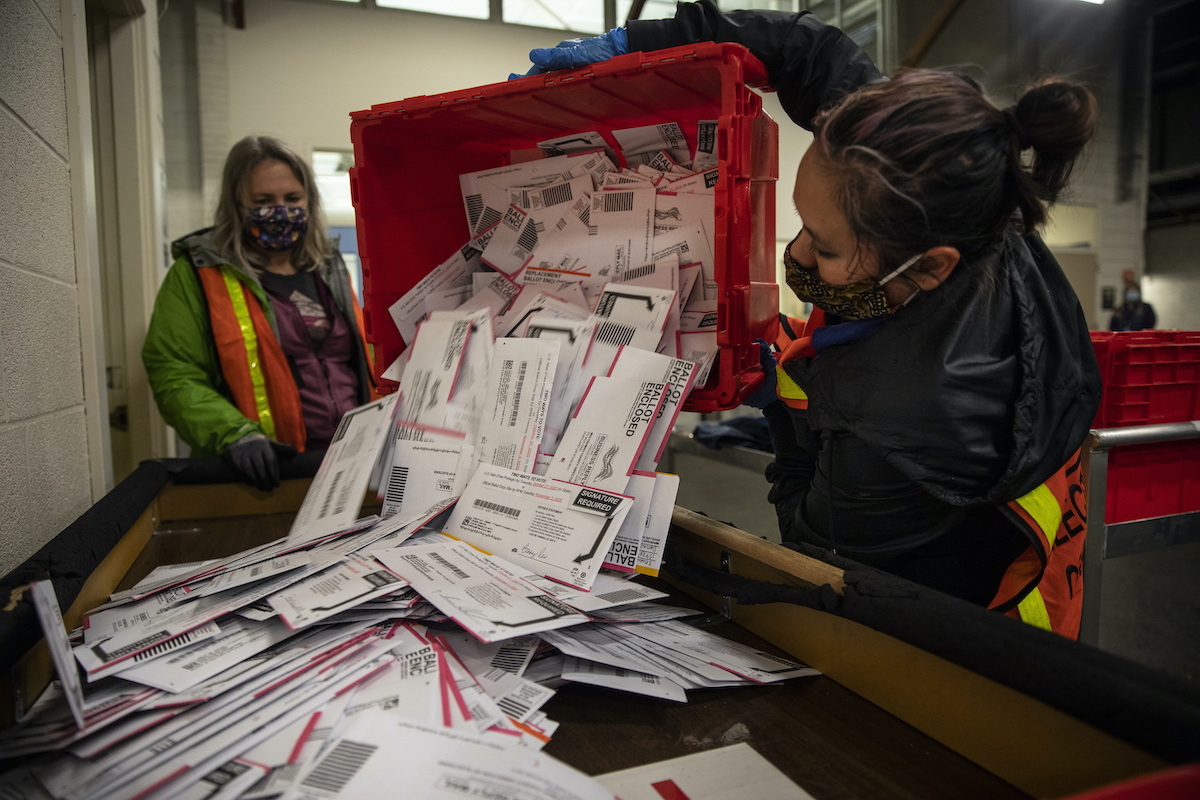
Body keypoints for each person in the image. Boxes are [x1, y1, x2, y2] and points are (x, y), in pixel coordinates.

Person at [518, 1, 1101, 638]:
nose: (793, 256)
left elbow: (810, 543)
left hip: (972, 638)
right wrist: (641, 40)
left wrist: (779, 410)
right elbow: (809, 51)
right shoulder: (946, 184)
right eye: (803, 227)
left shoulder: (897, 424)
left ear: (931, 267)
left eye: (824, 248)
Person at [143, 136, 374, 491]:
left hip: (347, 467)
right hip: (263, 475)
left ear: (309, 201)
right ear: (237, 205)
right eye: (263, 201)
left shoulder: (327, 268)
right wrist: (235, 434)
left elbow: (359, 360)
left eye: (292, 199)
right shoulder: (198, 273)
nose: (281, 210)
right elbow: (174, 371)